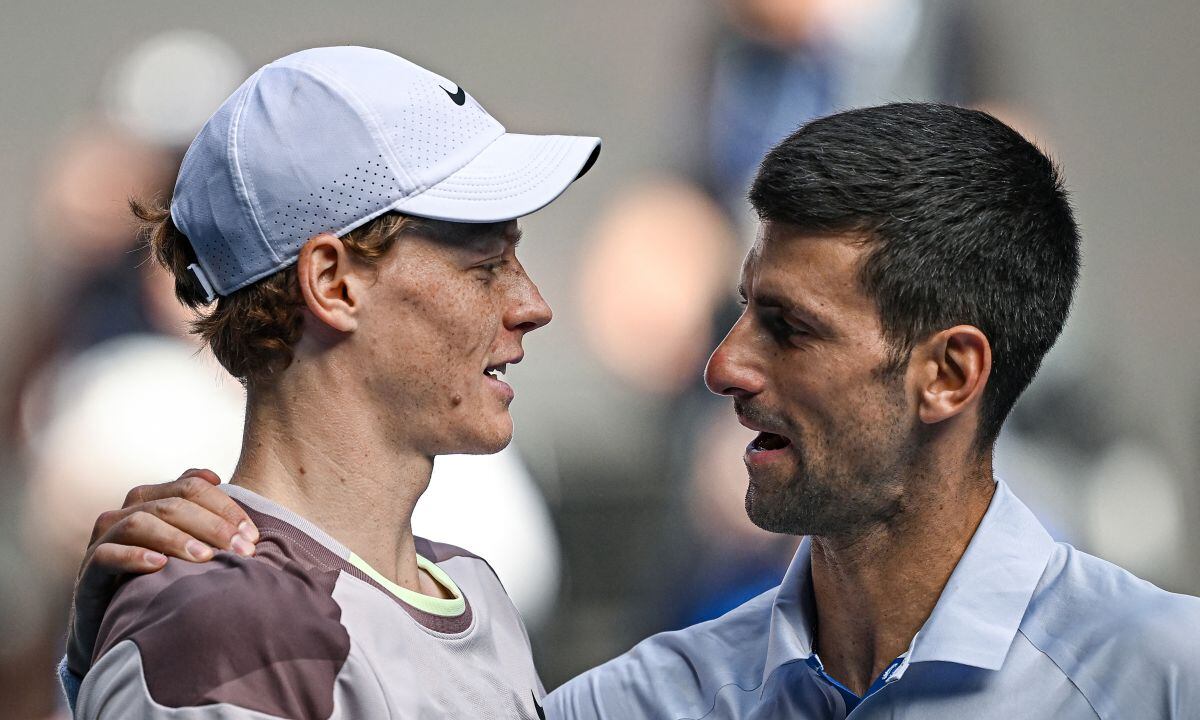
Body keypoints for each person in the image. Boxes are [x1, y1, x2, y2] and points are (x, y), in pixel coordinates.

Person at [65, 104, 1200, 718]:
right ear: (330, 286)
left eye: (788, 329)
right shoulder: (647, 699)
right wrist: (147, 644)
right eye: (481, 262)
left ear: (949, 375)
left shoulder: (1166, 678)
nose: (721, 368)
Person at [59, 45, 600, 719]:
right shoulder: (221, 630)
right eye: (485, 265)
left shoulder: (471, 586)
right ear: (333, 283)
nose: (532, 305)